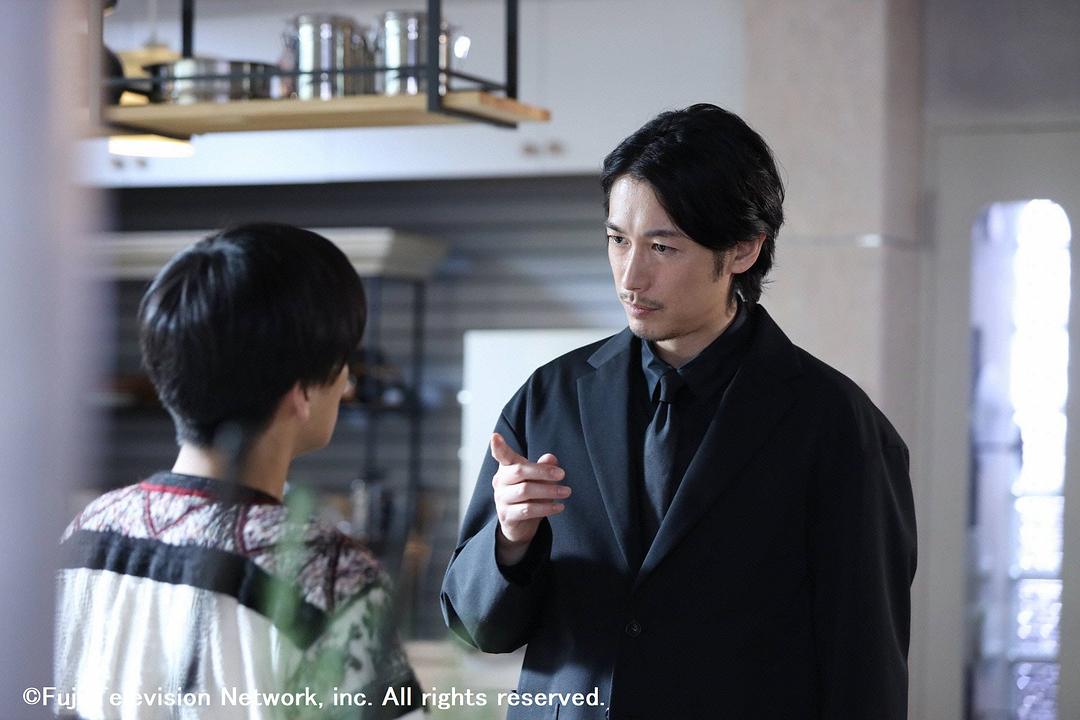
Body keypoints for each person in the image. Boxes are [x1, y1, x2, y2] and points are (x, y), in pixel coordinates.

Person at [441, 105, 917, 719]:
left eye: (662, 246)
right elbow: (476, 627)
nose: (630, 277)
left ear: (743, 248)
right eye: (618, 240)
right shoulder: (549, 397)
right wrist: (510, 541)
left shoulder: (836, 426)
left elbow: (865, 668)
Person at [55, 224, 421, 719]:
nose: (347, 385)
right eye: (343, 365)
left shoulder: (89, 531)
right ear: (301, 392)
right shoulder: (330, 575)